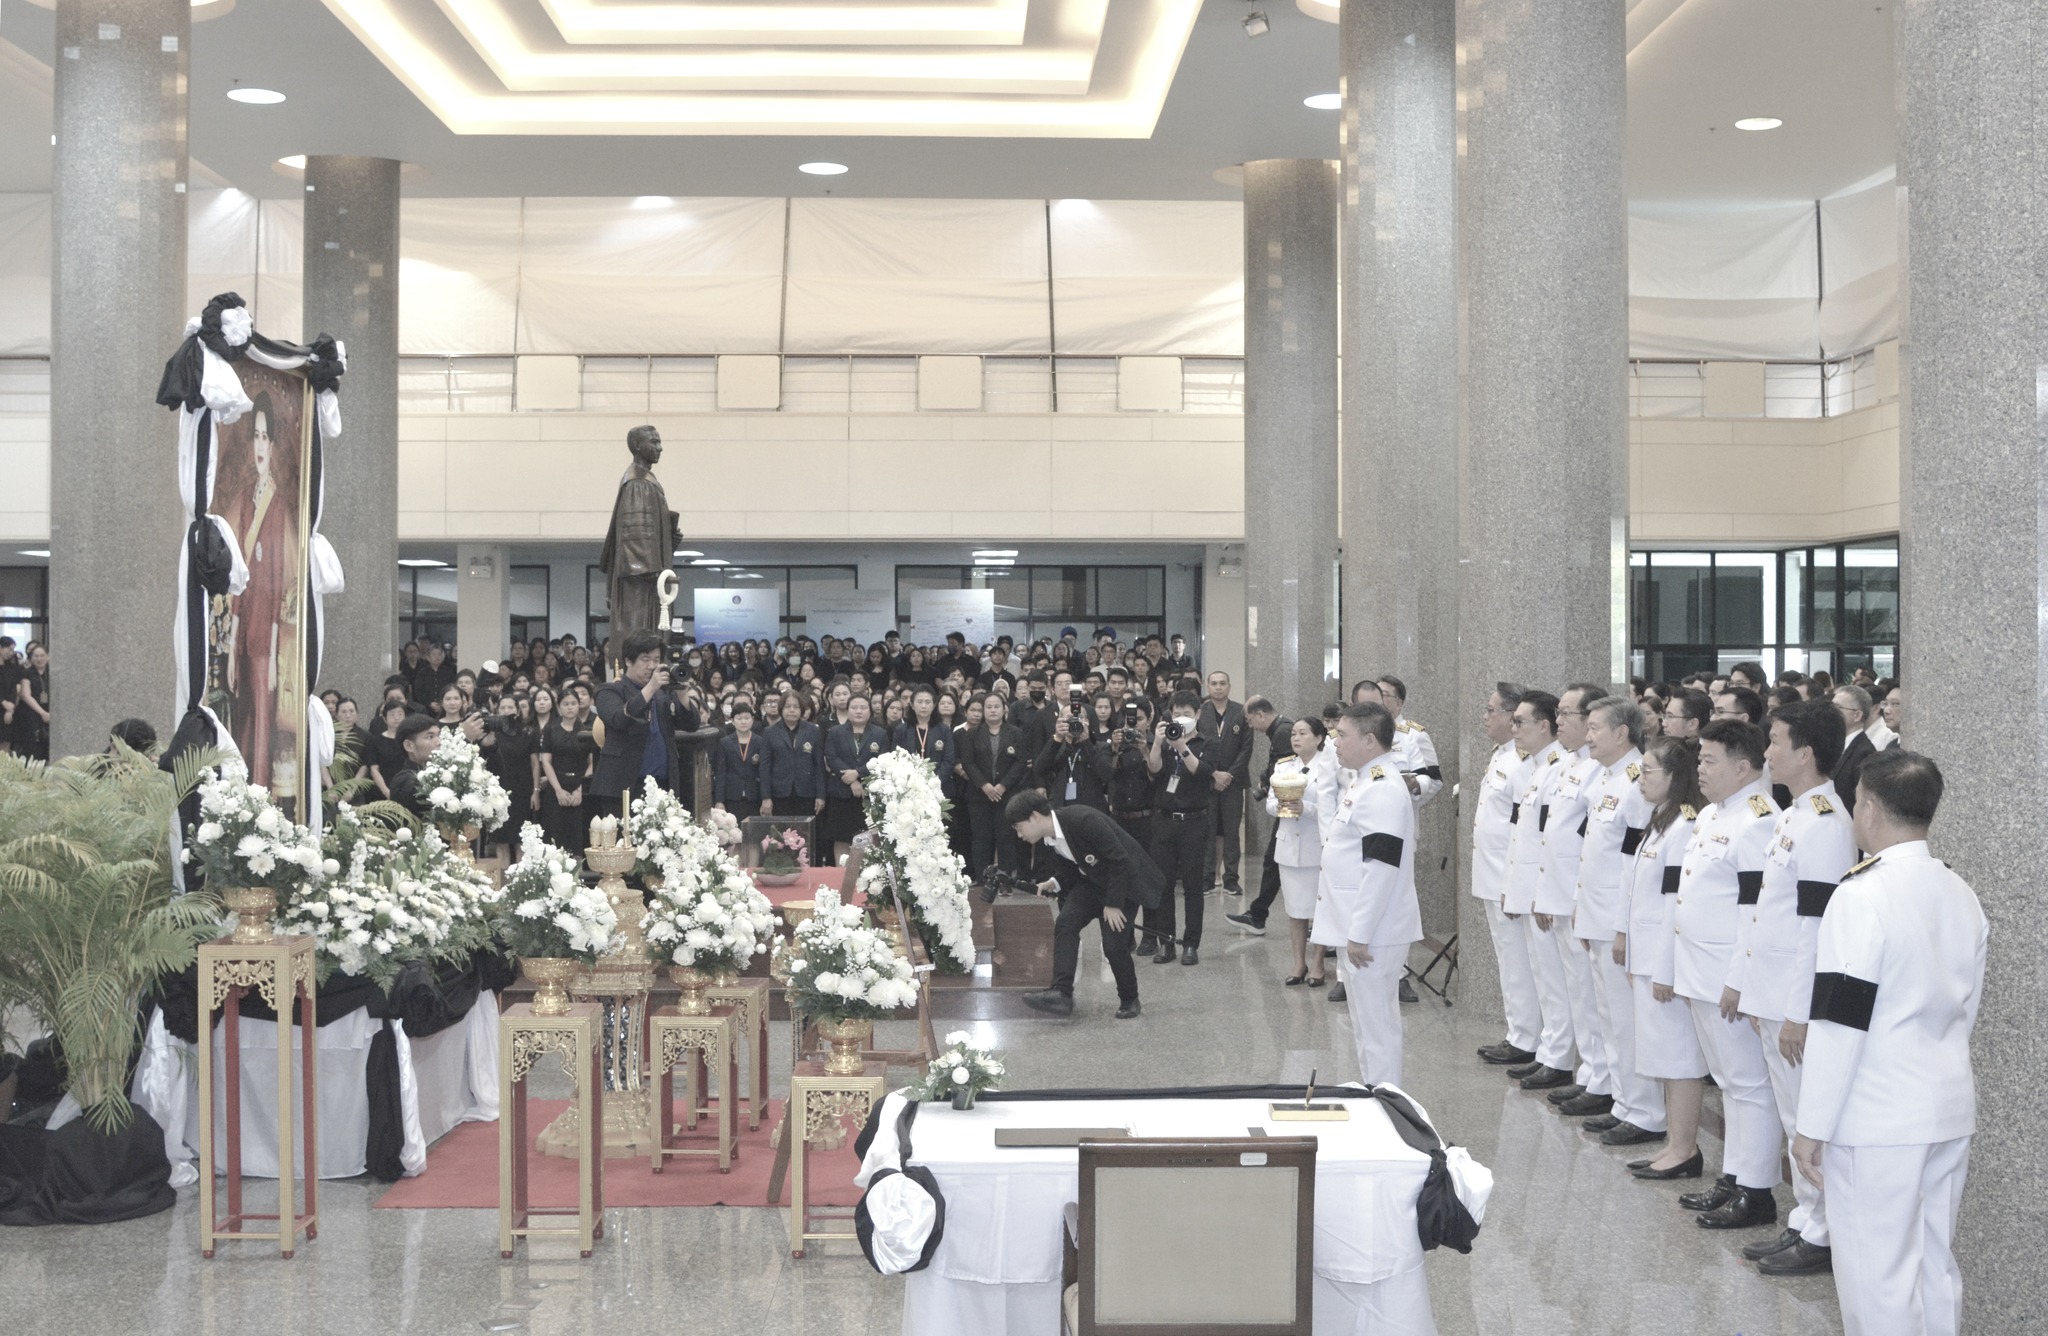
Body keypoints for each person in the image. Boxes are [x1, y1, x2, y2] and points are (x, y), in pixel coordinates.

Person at [1791, 751, 1986, 1336]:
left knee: (1877, 1279)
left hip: (1875, 1117)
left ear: (1870, 809)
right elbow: (1966, 1009)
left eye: (1856, 803)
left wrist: (1811, 1126)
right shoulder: (1959, 891)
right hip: (1945, 1105)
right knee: (1933, 1267)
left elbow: (1839, 1023)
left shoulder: (1861, 895)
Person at [1730, 697, 1858, 1277]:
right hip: (1773, 989)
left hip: (1794, 999)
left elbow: (1816, 929)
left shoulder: (1827, 824)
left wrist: (1797, 1012)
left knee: (1808, 1119)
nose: (1767, 751)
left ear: (1805, 753)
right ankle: (1806, 1221)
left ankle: (1824, 1233)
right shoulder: (1794, 813)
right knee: (1791, 1116)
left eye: (1776, 741)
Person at [1668, 718, 1784, 1231]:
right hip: (1700, 969)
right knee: (1728, 1081)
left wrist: (1740, 979)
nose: (1700, 768)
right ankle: (1733, 1177)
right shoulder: (1715, 813)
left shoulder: (1758, 819)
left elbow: (1754, 909)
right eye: (1700, 758)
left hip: (1726, 976)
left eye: (1710, 760)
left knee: (1748, 1084)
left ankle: (1756, 1192)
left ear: (1742, 768)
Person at [1313, 701, 1422, 1086]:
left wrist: (1359, 933)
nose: (1335, 742)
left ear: (1370, 741)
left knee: (1377, 1027)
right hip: (1361, 925)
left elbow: (1381, 868)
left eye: (1343, 735)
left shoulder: (1382, 789)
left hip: (1374, 930)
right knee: (1365, 1023)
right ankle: (1374, 1091)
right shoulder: (1364, 781)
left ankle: (1388, 1100)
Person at [1572, 695, 1662, 1142]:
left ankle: (1644, 1112)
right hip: (1597, 913)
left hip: (1616, 917)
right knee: (1607, 1015)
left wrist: (1623, 925)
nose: (1587, 736)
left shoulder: (1636, 780)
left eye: (1595, 728)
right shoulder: (1604, 777)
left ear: (1622, 733)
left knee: (1626, 1021)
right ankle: (1622, 1100)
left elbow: (1635, 862)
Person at [1622, 737, 1710, 1179]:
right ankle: (1676, 1144)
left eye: (1648, 771)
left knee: (1679, 1059)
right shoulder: (1662, 820)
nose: (1640, 779)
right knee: (1663, 1056)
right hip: (1648, 957)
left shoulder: (1684, 827)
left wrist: (1665, 968)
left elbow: (1675, 903)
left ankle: (1684, 1149)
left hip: (1665, 962)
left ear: (1674, 776)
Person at [1009, 791, 1160, 1021]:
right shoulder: (1049, 839)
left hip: (1123, 884)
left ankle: (1130, 999)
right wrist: (1054, 882)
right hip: (1092, 883)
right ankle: (1061, 993)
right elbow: (1072, 867)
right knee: (1066, 923)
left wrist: (1113, 904)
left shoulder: (1083, 820)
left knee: (1113, 946)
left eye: (1020, 828)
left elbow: (1120, 860)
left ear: (1035, 817)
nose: (1020, 835)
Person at [1501, 691, 1577, 1091]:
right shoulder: (1536, 767)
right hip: (1533, 889)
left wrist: (1541, 892)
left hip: (1547, 893)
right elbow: (1523, 835)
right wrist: (1514, 887)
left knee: (1557, 982)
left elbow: (1553, 840)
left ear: (1543, 726)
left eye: (1521, 722)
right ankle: (1550, 1052)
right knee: (1545, 978)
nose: (1514, 729)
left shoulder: (1559, 767)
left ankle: (1559, 1057)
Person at [1472, 683, 1541, 1067]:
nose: (1485, 717)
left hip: (1508, 879)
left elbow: (1523, 829)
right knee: (1508, 959)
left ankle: (1526, 1038)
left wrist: (1515, 884)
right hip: (1492, 874)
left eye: (1491, 710)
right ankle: (1519, 1031)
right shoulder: (1502, 756)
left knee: (1518, 963)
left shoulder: (1522, 763)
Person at [590, 629, 695, 822]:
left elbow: (691, 725)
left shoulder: (664, 693)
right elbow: (619, 719)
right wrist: (651, 688)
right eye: (645, 659)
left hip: (663, 786)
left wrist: (683, 696)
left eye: (656, 660)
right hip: (623, 787)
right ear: (628, 661)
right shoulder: (608, 691)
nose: (652, 666)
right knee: (623, 840)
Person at [1144, 689, 1217, 965]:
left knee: (1192, 885)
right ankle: (1166, 942)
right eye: (1177, 714)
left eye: (1187, 713)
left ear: (1197, 714)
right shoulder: (1164, 741)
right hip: (1164, 820)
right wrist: (1157, 742)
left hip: (1194, 821)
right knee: (1162, 884)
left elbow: (1202, 772)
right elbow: (1153, 769)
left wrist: (1182, 747)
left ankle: (1190, 944)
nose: (1182, 718)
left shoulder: (1208, 742)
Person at [1261, 716, 1332, 986]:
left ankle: (1318, 963)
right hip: (1289, 846)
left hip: (1316, 846)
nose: (1296, 738)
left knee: (1320, 910)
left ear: (1319, 738)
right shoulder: (1283, 766)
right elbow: (1270, 803)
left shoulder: (1329, 766)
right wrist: (1282, 806)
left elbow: (1332, 806)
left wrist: (1306, 809)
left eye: (1303, 733)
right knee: (1295, 909)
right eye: (1294, 733)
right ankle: (1298, 962)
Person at [1224, 696, 1290, 936]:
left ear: (1261, 715)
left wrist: (1268, 781)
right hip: (1287, 807)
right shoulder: (1280, 731)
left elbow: (1285, 769)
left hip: (1290, 808)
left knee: (1274, 861)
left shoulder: (1283, 732)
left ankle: (1258, 915)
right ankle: (1257, 914)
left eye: (1250, 720)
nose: (1250, 726)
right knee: (1273, 862)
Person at [1195, 671, 1252, 896]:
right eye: (1214, 683)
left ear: (1229, 686)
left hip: (1233, 782)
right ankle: (1207, 878)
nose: (1218, 687)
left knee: (1231, 831)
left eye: (1222, 683)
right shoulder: (1200, 712)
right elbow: (1195, 746)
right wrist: (1213, 774)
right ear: (1207, 686)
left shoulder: (1241, 712)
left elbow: (1246, 749)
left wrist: (1228, 775)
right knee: (1207, 830)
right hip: (1206, 781)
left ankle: (1231, 879)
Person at [960, 691, 1027, 882]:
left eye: (996, 706)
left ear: (1004, 709)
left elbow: (1021, 762)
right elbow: (968, 762)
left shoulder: (1016, 733)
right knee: (981, 838)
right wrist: (985, 785)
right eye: (988, 707)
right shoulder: (972, 734)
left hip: (1007, 794)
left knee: (1006, 837)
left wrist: (1003, 785)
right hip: (979, 795)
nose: (992, 710)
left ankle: (1006, 879)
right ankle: (983, 879)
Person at [822, 692, 885, 862]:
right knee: (841, 838)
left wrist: (858, 773)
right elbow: (831, 757)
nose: (858, 711)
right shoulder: (835, 732)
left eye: (863, 707)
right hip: (841, 793)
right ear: (847, 710)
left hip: (869, 794)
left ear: (870, 711)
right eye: (854, 707)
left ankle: (868, 872)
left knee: (869, 837)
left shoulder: (880, 733)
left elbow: (882, 760)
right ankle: (842, 873)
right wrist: (851, 781)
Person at [539, 690, 597, 852]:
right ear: (559, 707)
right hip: (556, 783)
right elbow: (546, 761)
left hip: (581, 784)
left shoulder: (587, 730)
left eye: (573, 703)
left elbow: (593, 762)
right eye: (565, 704)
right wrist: (558, 790)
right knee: (555, 836)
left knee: (579, 835)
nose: (570, 707)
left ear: (579, 705)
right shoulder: (550, 729)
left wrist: (580, 789)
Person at [764, 691, 825, 838]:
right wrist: (766, 797)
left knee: (805, 836)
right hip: (780, 792)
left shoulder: (813, 730)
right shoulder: (770, 732)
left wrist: (821, 795)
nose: (792, 710)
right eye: (788, 706)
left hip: (807, 792)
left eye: (796, 707)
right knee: (781, 836)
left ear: (802, 710)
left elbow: (819, 765)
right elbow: (765, 767)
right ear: (781, 709)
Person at [714, 700, 768, 818]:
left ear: (752, 720)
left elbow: (764, 772)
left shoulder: (761, 742)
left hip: (755, 796)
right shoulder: (725, 743)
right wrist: (719, 800)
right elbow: (721, 773)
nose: (743, 722)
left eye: (747, 718)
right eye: (739, 718)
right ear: (733, 721)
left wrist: (766, 798)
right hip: (732, 796)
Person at [1830, 684, 1880, 813]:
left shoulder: (1865, 752)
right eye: (1831, 706)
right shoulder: (1834, 744)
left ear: (1857, 715)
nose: (1831, 712)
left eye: (1838, 708)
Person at [385, 714, 444, 821]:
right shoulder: (404, 781)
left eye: (438, 735)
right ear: (409, 746)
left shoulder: (439, 770)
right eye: (430, 737)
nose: (439, 742)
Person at [11, 642, 50, 762]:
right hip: (31, 714)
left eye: (42, 656)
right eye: (36, 656)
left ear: (48, 656)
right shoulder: (27, 673)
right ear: (31, 658)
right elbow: (26, 695)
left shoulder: (52, 673)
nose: (39, 659)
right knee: (33, 750)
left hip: (49, 713)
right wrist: (42, 713)